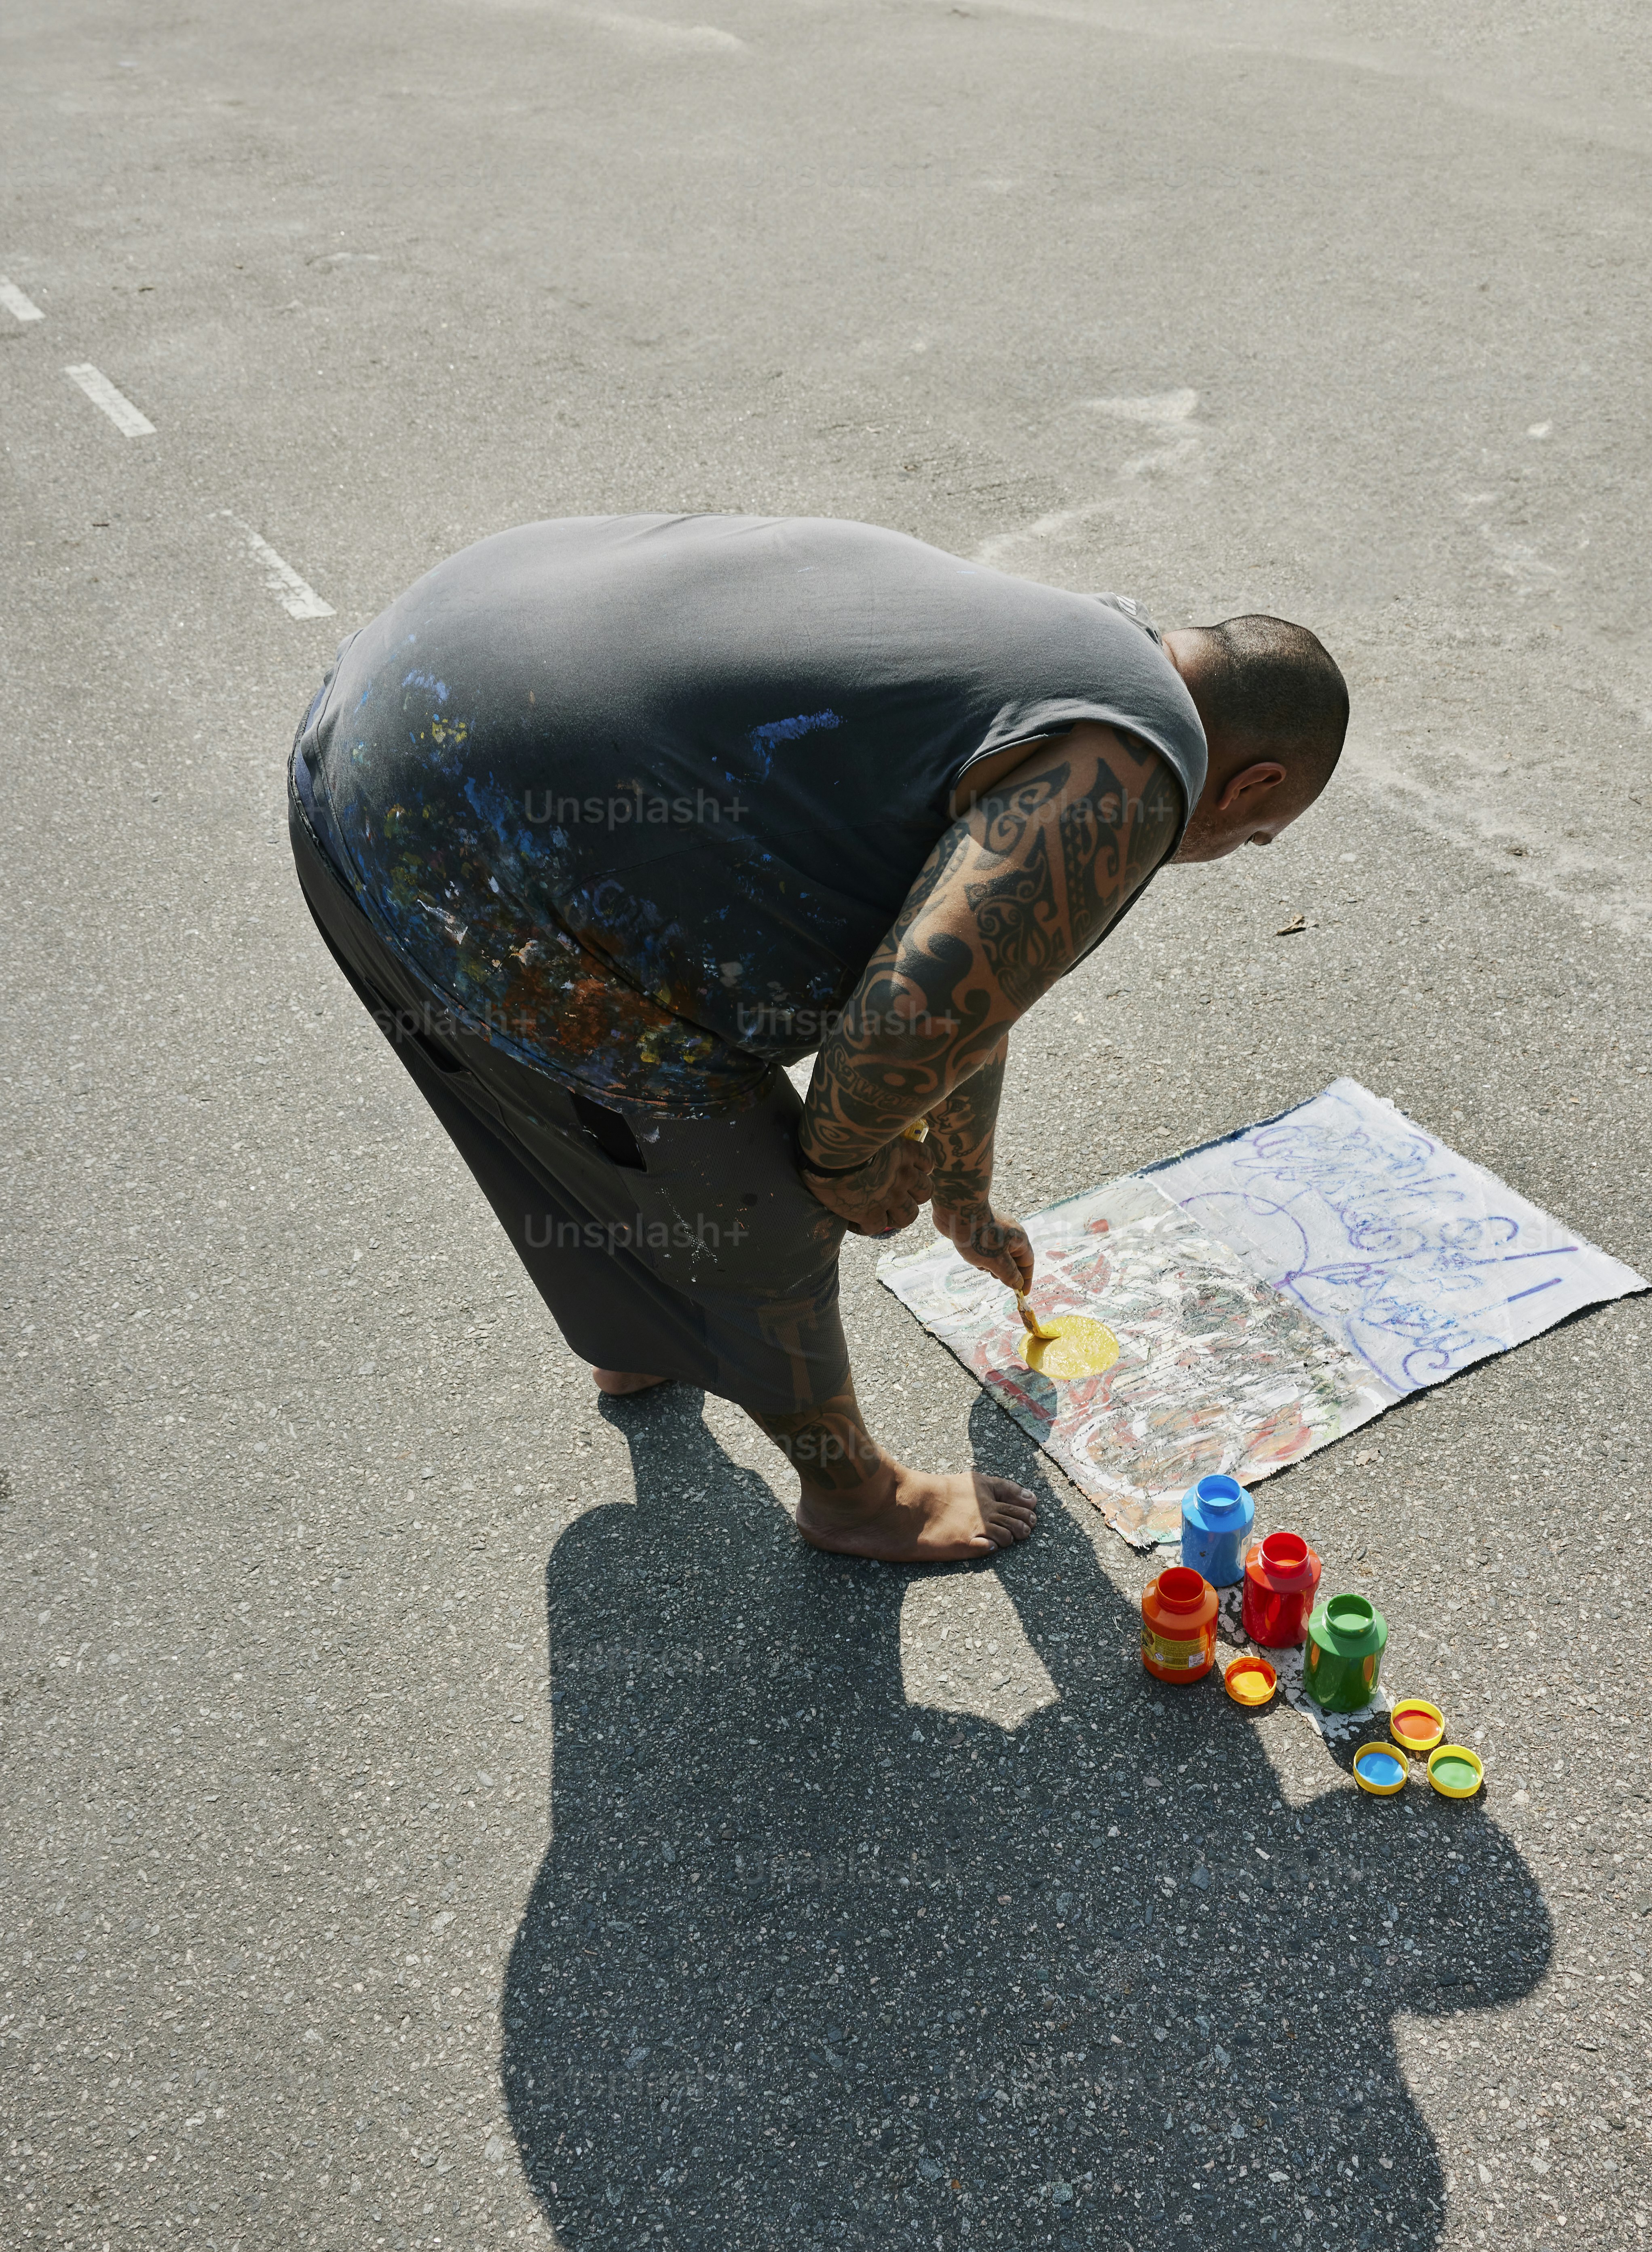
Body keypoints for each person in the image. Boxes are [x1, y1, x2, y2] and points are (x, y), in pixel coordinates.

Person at [288, 515, 1348, 1563]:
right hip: (470, 829)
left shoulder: (1086, 655)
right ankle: (857, 1498)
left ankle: (637, 1346)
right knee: (764, 1205)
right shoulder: (1139, 767)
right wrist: (847, 1163)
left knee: (562, 1117)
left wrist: (963, 1194)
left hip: (381, 721)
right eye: (1256, 836)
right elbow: (906, 1027)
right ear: (1254, 783)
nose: (1236, 848)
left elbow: (975, 979)